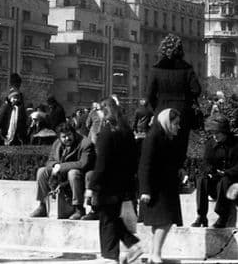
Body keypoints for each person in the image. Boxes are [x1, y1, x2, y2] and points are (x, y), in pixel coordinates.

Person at [88, 97, 143, 264]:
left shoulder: (106, 133)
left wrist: (92, 186)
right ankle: (132, 245)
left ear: (104, 112)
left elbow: (101, 164)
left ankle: (110, 255)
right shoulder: (126, 131)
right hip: (123, 183)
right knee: (111, 217)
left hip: (107, 184)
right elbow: (134, 160)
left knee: (106, 220)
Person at [139, 108, 185, 264]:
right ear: (167, 122)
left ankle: (154, 254)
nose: (178, 127)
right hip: (156, 189)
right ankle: (155, 254)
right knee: (165, 221)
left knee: (161, 221)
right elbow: (145, 165)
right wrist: (145, 190)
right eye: (176, 123)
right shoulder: (153, 137)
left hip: (165, 187)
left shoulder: (166, 137)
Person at [147, 34, 201, 163]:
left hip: (161, 111)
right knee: (179, 153)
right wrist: (185, 99)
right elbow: (196, 90)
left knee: (160, 151)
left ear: (163, 49)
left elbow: (149, 95)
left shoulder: (156, 69)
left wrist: (158, 108)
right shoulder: (187, 69)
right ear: (181, 50)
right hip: (182, 114)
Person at [29, 121, 95, 220]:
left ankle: (79, 208)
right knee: (41, 171)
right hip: (60, 174)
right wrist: (55, 165)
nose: (67, 138)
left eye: (69, 135)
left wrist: (61, 167)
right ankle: (43, 205)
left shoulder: (85, 143)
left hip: (80, 175)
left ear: (74, 133)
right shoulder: (57, 143)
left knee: (73, 173)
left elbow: (83, 163)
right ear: (59, 137)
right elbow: (50, 161)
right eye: (64, 137)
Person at [190, 113, 238, 228]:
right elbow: (205, 163)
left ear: (225, 131)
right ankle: (201, 216)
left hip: (232, 182)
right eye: (212, 133)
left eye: (217, 133)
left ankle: (222, 216)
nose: (214, 136)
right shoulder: (210, 144)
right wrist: (210, 171)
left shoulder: (236, 144)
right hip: (216, 181)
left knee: (225, 180)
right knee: (202, 179)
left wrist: (226, 173)